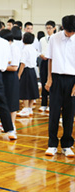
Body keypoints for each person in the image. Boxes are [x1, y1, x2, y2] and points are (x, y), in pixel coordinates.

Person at [44, 15, 75, 157]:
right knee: (54, 113)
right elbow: (50, 59)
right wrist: (49, 79)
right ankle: (52, 144)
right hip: (56, 78)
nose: (71, 34)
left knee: (69, 114)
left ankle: (67, 144)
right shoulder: (54, 38)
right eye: (69, 31)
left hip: (72, 80)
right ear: (63, 28)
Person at [0, 29, 21, 131]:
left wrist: (1, 66)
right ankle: (3, 122)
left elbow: (14, 67)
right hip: (2, 76)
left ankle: (12, 124)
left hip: (10, 77)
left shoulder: (14, 48)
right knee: (1, 101)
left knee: (11, 101)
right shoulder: (3, 48)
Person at [17, 32, 40, 117]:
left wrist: (19, 74)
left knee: (25, 90)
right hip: (32, 71)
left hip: (26, 71)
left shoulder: (25, 49)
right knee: (31, 90)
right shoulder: (33, 49)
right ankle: (30, 109)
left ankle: (25, 108)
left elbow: (22, 63)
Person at [38, 21, 56, 112]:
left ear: (54, 28)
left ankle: (51, 104)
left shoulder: (56, 38)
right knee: (44, 80)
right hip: (44, 62)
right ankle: (44, 104)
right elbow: (38, 50)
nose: (48, 30)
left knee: (52, 83)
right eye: (47, 28)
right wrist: (41, 55)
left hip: (53, 62)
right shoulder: (42, 39)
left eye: (50, 28)